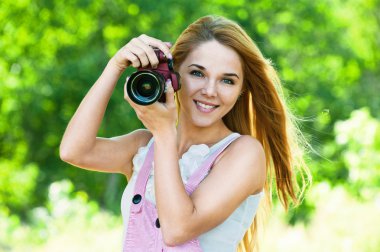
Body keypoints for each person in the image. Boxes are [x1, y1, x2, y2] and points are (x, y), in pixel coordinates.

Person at [60, 15, 310, 251]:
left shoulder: (244, 153)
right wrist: (115, 66)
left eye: (227, 80)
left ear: (242, 89)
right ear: (175, 74)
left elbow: (177, 230)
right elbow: (74, 151)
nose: (210, 90)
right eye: (197, 73)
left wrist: (164, 133)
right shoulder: (144, 145)